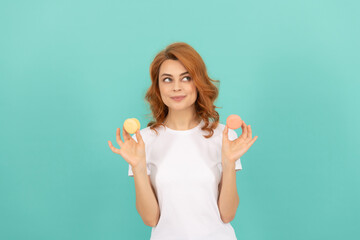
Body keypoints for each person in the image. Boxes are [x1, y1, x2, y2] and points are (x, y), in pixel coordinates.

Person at [108, 42, 258, 240]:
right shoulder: (143, 141)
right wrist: (137, 166)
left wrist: (229, 163)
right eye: (167, 80)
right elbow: (151, 219)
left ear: (198, 82)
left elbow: (227, 214)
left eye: (186, 78)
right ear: (158, 87)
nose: (176, 87)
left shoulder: (223, 136)